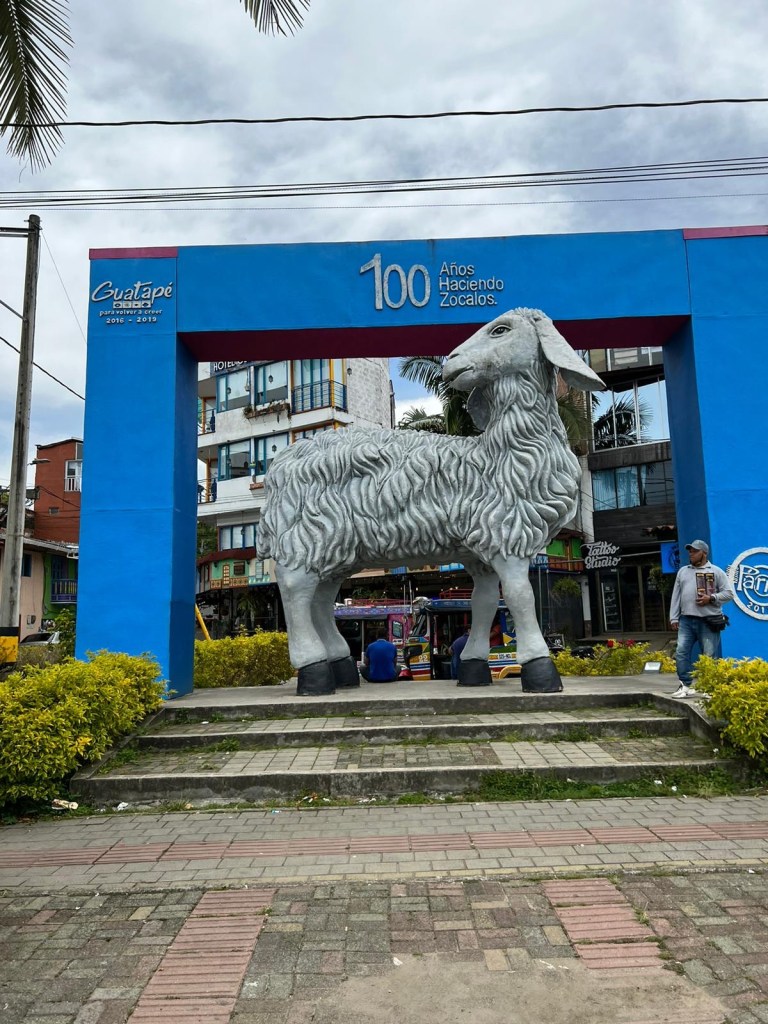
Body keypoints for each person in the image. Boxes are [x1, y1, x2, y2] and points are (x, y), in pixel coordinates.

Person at [669, 539, 733, 699]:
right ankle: (685, 685)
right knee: (681, 652)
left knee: (709, 656)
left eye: (695, 551)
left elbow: (728, 594)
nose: (691, 554)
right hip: (686, 620)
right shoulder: (683, 571)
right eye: (690, 551)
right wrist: (673, 617)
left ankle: (709, 688)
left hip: (708, 620)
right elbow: (676, 595)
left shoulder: (716, 571)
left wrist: (711, 598)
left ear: (704, 553)